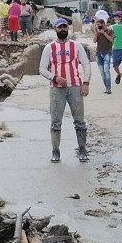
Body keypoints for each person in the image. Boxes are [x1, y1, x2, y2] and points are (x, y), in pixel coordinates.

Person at [38, 18, 91, 162]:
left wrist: (86, 82)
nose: (62, 29)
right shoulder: (49, 48)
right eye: (59, 27)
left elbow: (86, 64)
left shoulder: (76, 46)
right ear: (55, 29)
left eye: (64, 27)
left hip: (75, 86)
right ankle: (55, 151)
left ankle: (82, 149)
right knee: (56, 122)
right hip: (56, 89)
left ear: (68, 29)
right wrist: (54, 77)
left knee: (79, 121)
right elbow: (42, 68)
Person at [93, 17, 114, 94]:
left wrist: (104, 33)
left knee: (106, 71)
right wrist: (96, 32)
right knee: (102, 72)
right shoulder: (97, 33)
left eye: (99, 24)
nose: (98, 26)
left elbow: (112, 40)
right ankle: (106, 87)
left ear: (103, 24)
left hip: (107, 53)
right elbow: (94, 41)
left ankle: (108, 88)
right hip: (99, 54)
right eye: (97, 25)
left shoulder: (110, 31)